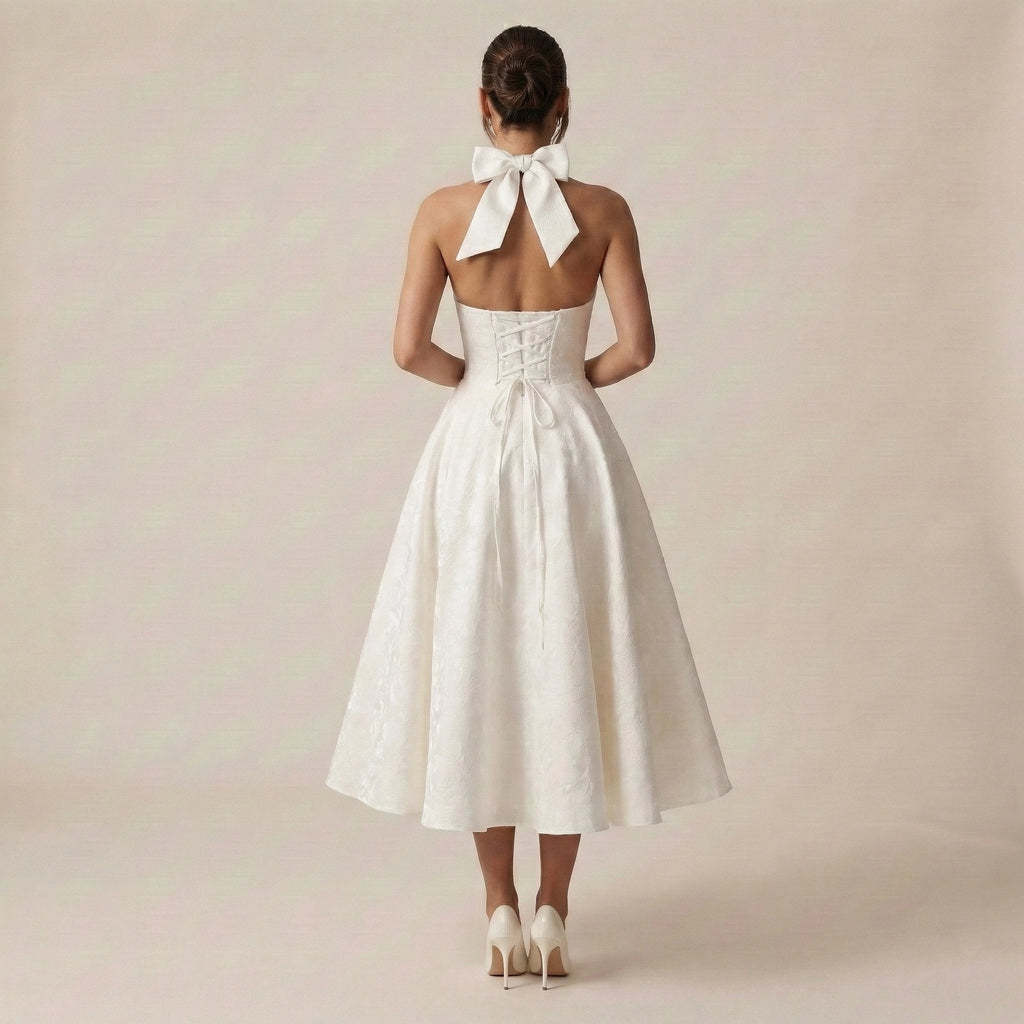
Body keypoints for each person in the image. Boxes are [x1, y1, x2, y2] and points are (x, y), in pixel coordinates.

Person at [325, 24, 732, 989]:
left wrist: (479, 384)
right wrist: (566, 380)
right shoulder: (604, 210)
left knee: (481, 659)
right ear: (563, 110)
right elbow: (636, 347)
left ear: (481, 106)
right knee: (564, 659)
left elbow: (407, 349)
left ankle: (500, 910)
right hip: (571, 448)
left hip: (472, 453)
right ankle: (555, 911)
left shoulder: (438, 210)